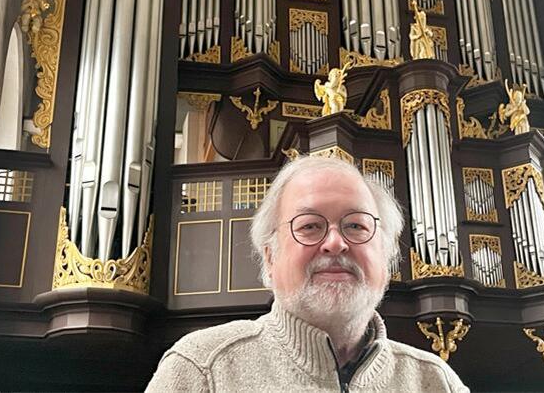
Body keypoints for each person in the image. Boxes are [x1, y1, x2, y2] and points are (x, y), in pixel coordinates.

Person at [146, 156, 469, 392]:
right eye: (310, 226)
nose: (335, 243)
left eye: (356, 225)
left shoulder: (437, 382)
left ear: (386, 256)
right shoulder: (202, 368)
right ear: (270, 259)